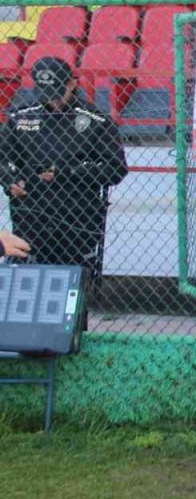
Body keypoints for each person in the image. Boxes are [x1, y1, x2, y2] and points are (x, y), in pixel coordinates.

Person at [0, 57, 128, 324]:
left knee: (71, 285)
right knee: (28, 284)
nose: (53, 101)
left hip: (77, 218)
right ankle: (26, 338)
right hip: (30, 216)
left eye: (58, 93)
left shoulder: (95, 120)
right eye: (46, 94)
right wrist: (9, 180)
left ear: (72, 84)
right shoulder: (20, 117)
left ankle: (72, 336)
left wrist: (66, 173)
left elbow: (116, 169)